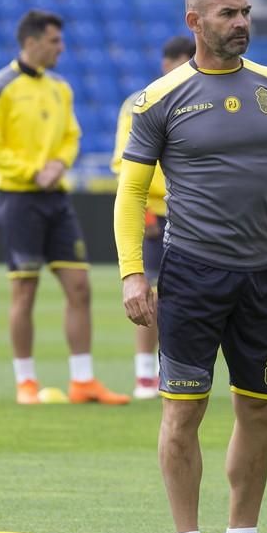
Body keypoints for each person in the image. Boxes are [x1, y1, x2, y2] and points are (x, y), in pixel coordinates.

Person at [113, 0, 267, 533]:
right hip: (190, 274)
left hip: (264, 275)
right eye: (228, 13)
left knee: (259, 411)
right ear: (195, 21)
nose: (241, 21)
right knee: (183, 414)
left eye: (246, 12)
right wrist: (134, 272)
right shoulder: (159, 99)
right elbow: (130, 193)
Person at [0, 10, 129, 406]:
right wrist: (30, 171)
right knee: (25, 290)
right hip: (19, 199)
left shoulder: (61, 88)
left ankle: (83, 380)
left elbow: (71, 136)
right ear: (32, 42)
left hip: (56, 198)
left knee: (80, 286)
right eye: (55, 41)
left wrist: (59, 163)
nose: (61, 48)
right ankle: (25, 382)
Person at [110, 35, 196, 400]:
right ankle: (146, 373)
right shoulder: (141, 103)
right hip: (156, 210)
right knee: (149, 291)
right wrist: (151, 200)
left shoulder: (203, 100)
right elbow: (123, 162)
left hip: (193, 213)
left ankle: (174, 369)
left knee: (187, 293)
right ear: (168, 64)